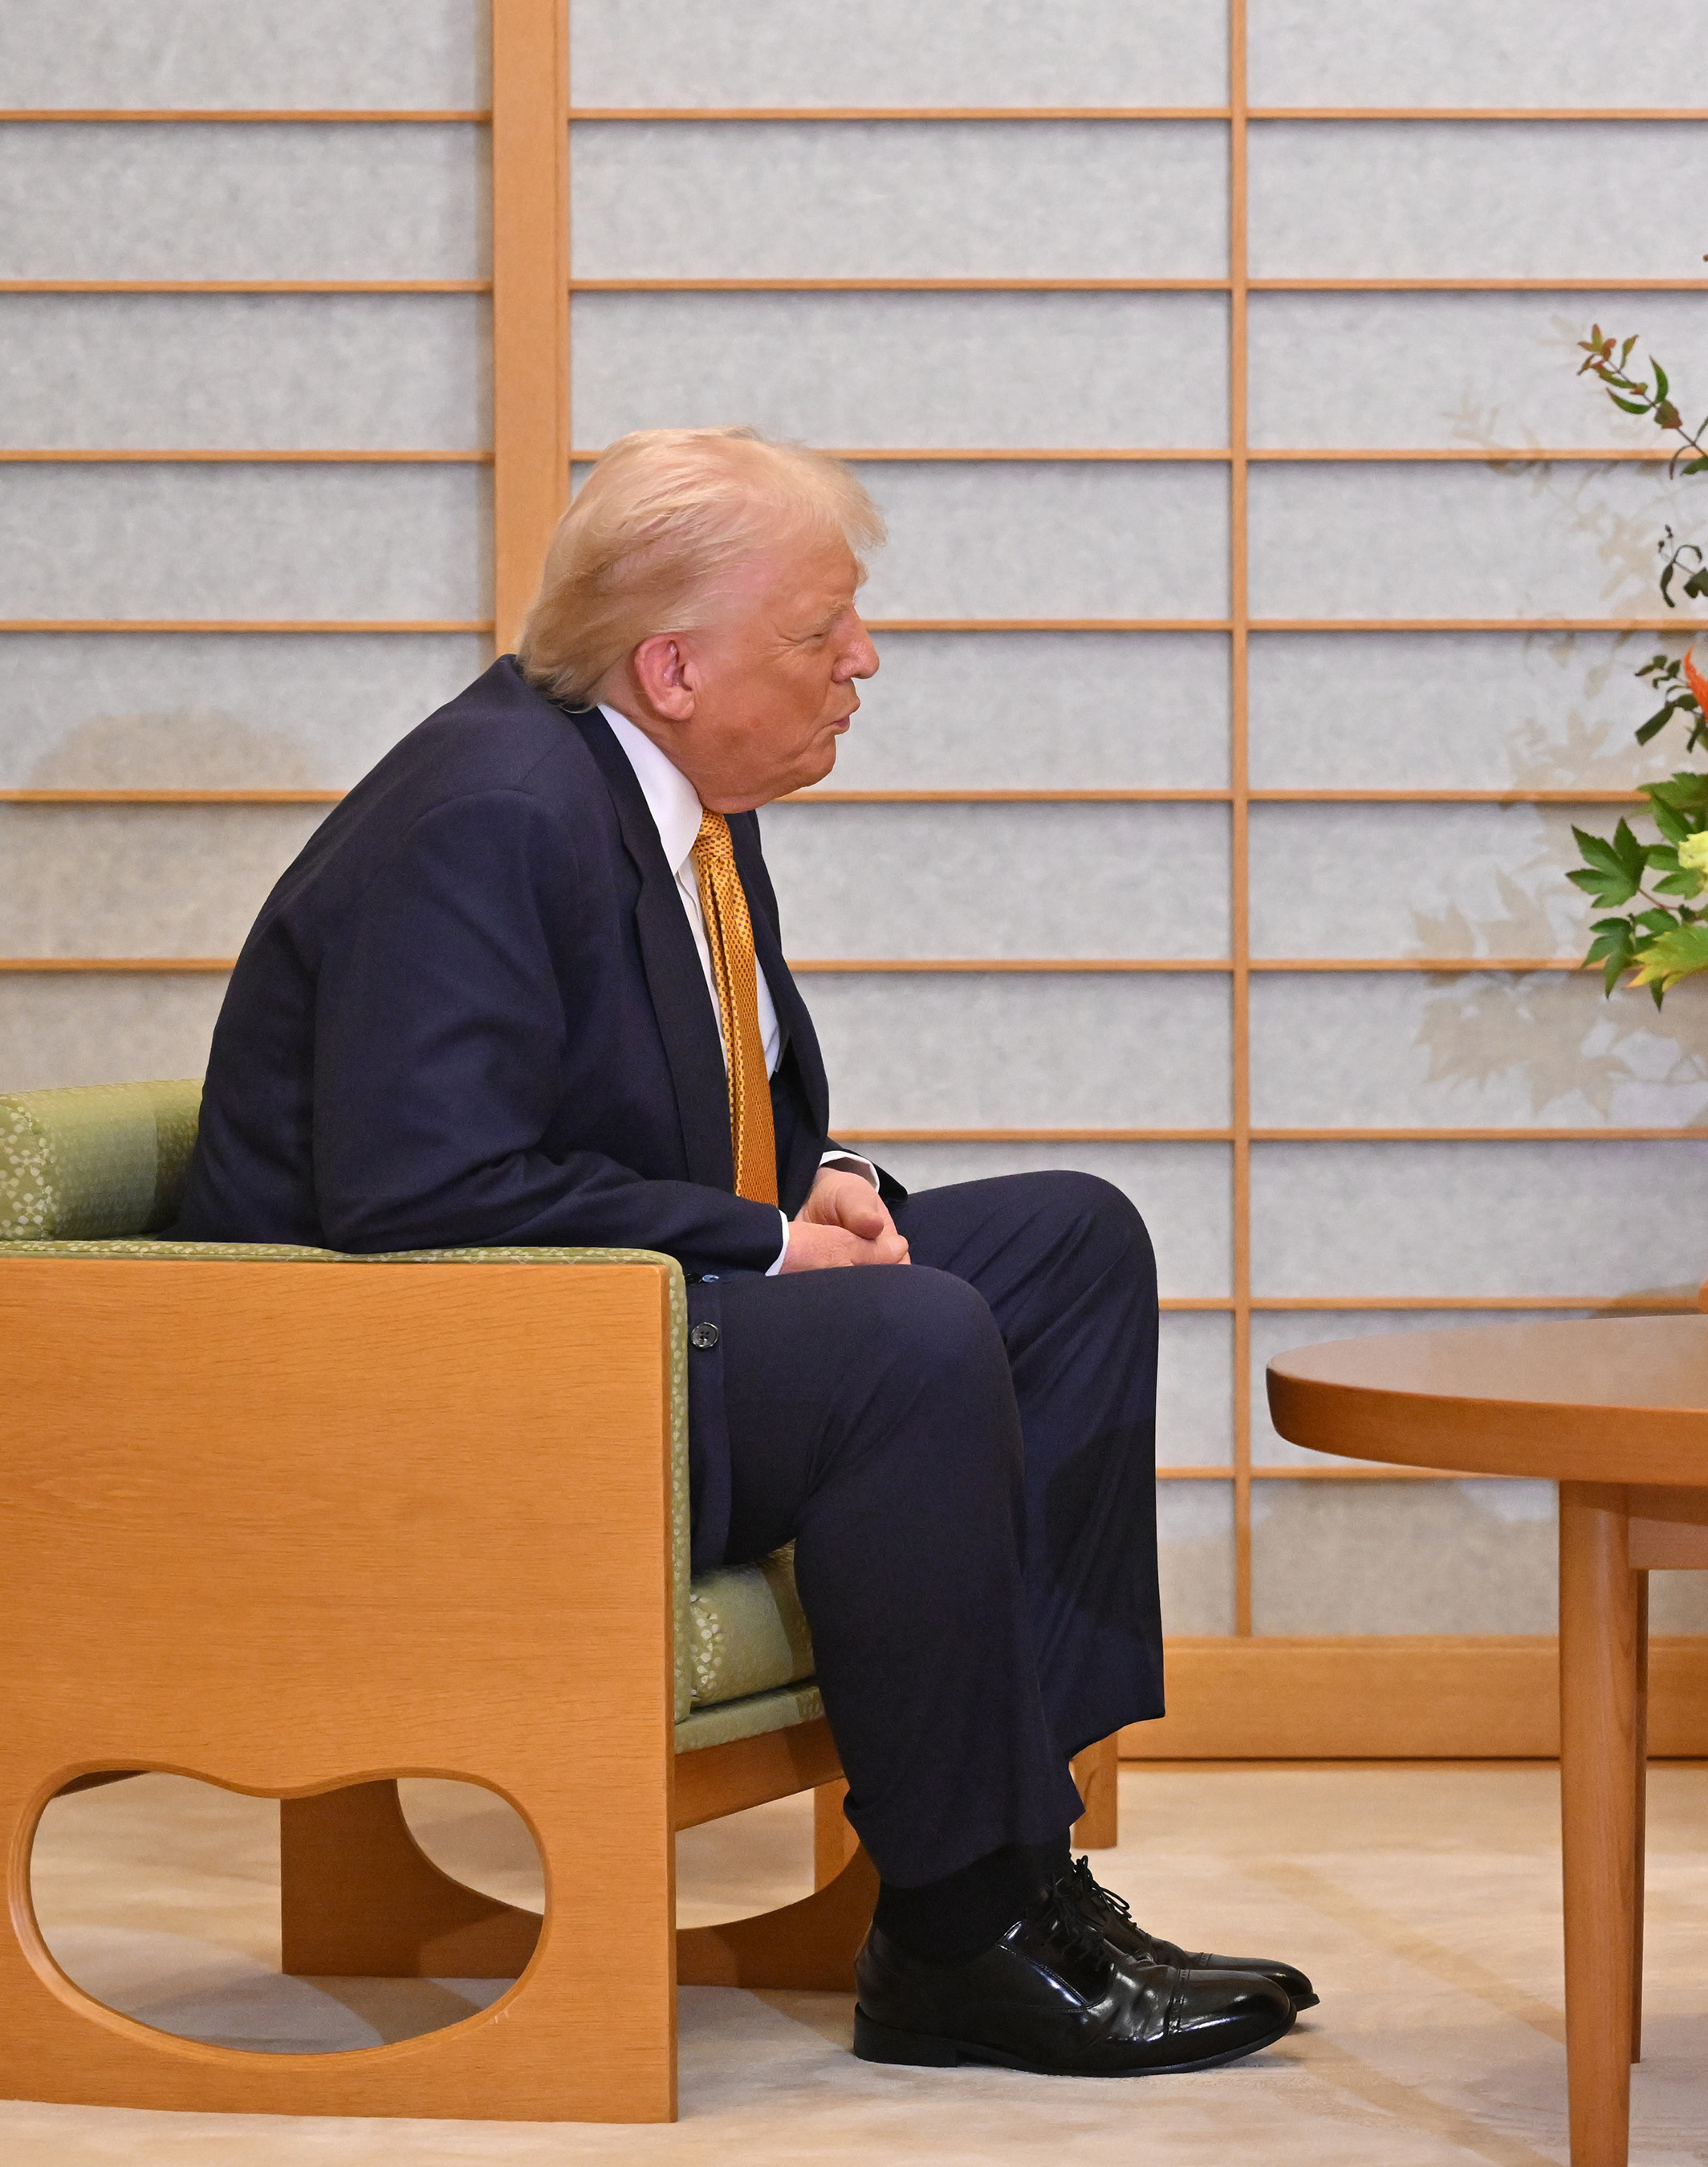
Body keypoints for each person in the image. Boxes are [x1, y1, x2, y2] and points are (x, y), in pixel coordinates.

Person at [174, 426, 1314, 2077]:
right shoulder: (487, 813)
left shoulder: (680, 798)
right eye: (818, 631)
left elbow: (653, 1110)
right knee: (907, 1341)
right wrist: (766, 1244)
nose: (863, 661)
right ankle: (953, 1933)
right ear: (676, 664)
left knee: (1065, 1245)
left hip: (611, 1328)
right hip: (419, 1399)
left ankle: (1026, 1877)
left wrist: (817, 1189)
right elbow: (422, 1196)